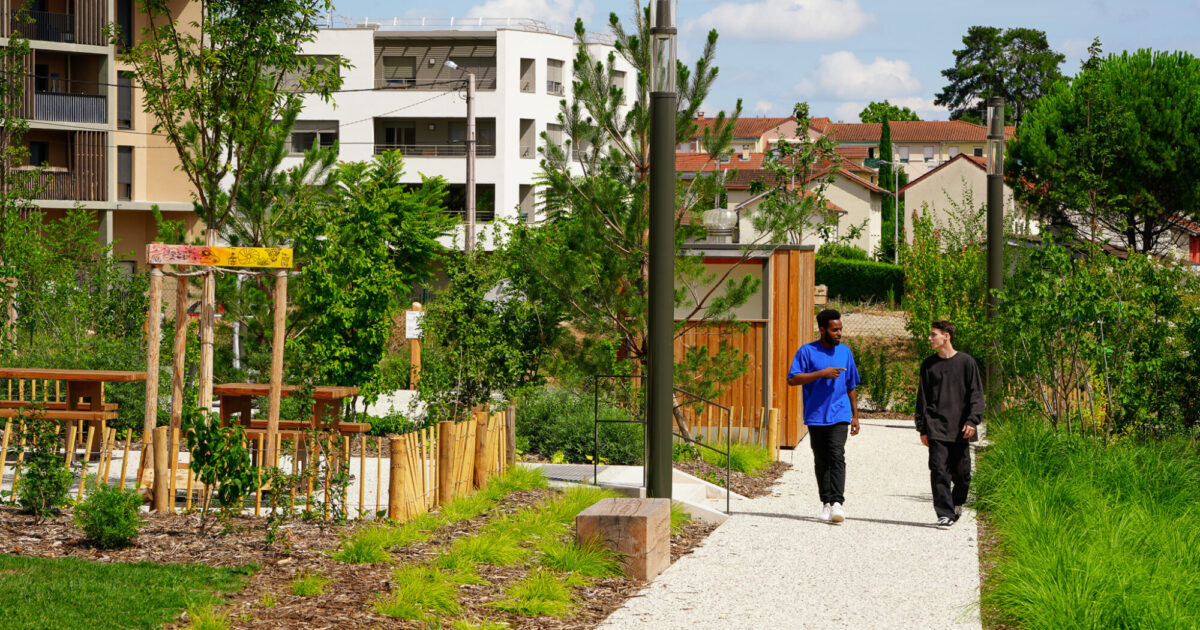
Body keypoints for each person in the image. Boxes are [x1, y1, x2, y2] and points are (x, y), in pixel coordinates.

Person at [787, 309, 861, 523]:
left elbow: (851, 385)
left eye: (840, 329)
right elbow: (792, 379)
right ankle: (826, 503)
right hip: (816, 415)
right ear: (822, 330)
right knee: (821, 459)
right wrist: (822, 373)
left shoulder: (845, 352)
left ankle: (838, 503)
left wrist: (855, 416)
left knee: (837, 455)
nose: (839, 333)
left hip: (840, 414)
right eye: (834, 329)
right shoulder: (806, 352)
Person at [915, 320, 984, 530]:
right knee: (939, 471)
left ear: (947, 336)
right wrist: (923, 428)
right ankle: (944, 514)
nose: (930, 338)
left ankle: (956, 502)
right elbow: (922, 399)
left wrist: (973, 420)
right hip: (936, 428)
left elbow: (976, 395)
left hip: (961, 430)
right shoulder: (928, 365)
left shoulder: (966, 363)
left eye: (933, 334)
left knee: (963, 475)